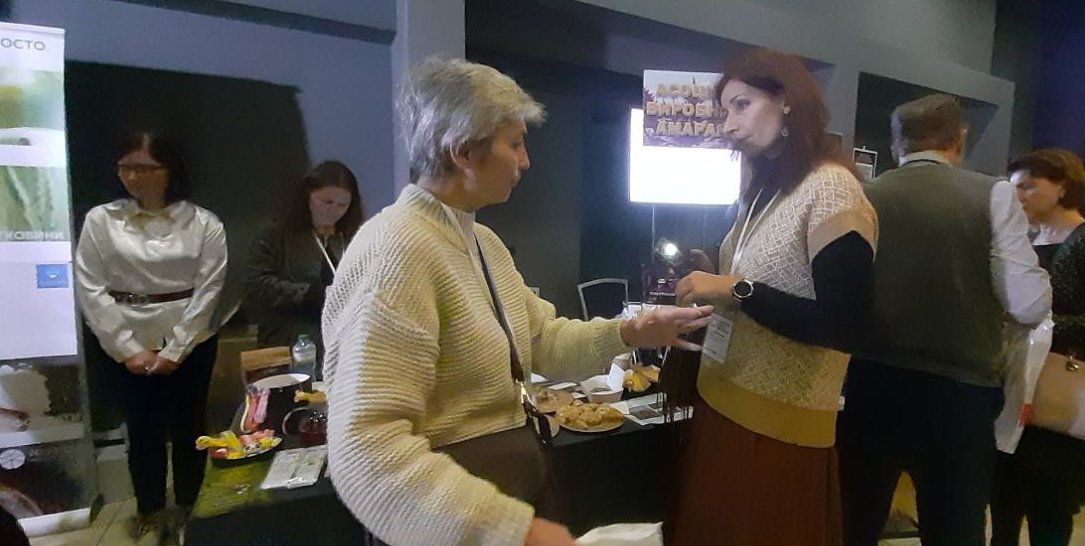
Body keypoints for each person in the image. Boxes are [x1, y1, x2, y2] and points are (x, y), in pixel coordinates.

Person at [321, 57, 713, 546]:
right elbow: (366, 449)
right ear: (464, 151)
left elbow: (541, 340)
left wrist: (630, 331)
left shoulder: (480, 241)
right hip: (448, 517)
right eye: (515, 143)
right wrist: (515, 532)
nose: (525, 161)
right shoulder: (394, 249)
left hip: (506, 482)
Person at [671, 47, 878, 545]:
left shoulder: (831, 189)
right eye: (725, 110)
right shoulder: (767, 191)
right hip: (723, 403)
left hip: (778, 426)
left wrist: (737, 288)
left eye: (741, 105)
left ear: (786, 100)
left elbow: (845, 325)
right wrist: (715, 281)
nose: (729, 124)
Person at [838, 95, 1052, 546]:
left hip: (867, 381)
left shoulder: (864, 195)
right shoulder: (992, 193)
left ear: (896, 145)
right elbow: (1029, 304)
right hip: (958, 391)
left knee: (854, 520)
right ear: (960, 139)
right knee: (953, 527)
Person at [74, 132, 227, 542]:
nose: (132, 176)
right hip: (125, 337)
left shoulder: (204, 223)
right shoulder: (101, 220)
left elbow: (209, 289)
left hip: (191, 339)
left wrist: (178, 348)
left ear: (168, 170)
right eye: (125, 167)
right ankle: (149, 508)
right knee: (142, 429)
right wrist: (127, 347)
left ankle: (191, 504)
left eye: (143, 168)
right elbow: (90, 287)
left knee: (190, 425)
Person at [991, 149, 1085, 546]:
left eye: (1028, 186)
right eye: (1014, 188)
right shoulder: (1025, 241)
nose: (1019, 196)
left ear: (1063, 187)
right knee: (1003, 504)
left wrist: (1040, 326)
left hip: (1064, 398)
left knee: (1050, 513)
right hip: (1014, 393)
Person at [245, 160, 363, 352]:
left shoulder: (353, 237)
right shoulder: (276, 234)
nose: (334, 211)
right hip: (288, 340)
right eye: (327, 202)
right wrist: (309, 294)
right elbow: (256, 285)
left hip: (341, 342)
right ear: (308, 195)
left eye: (343, 205)